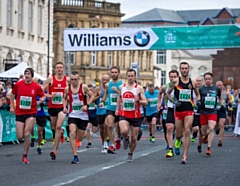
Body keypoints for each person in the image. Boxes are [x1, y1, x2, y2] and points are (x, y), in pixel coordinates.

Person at [10, 68, 45, 164]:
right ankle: (28, 138)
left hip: (31, 112)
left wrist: (42, 99)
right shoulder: (18, 84)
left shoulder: (36, 86)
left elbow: (43, 95)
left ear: (32, 76)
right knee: (20, 137)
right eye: (25, 73)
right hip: (20, 112)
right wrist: (12, 106)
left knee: (27, 134)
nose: (27, 75)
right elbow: (12, 94)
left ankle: (25, 155)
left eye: (29, 74)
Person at [166, 62, 199, 164]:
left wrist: (198, 101)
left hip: (189, 110)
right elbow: (167, 93)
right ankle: (178, 140)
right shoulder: (176, 81)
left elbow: (198, 95)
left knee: (188, 130)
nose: (184, 70)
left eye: (186, 68)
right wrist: (173, 101)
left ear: (189, 69)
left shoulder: (193, 83)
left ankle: (184, 155)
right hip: (178, 111)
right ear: (180, 70)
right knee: (179, 134)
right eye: (182, 68)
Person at [115, 69, 147, 162]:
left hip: (135, 115)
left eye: (132, 76)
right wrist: (117, 109)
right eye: (129, 76)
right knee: (124, 130)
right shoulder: (122, 87)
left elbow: (145, 103)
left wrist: (138, 100)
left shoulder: (139, 88)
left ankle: (130, 153)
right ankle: (125, 138)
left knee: (134, 138)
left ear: (135, 77)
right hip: (124, 113)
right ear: (126, 76)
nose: (130, 78)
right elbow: (119, 98)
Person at [63, 71, 93, 164]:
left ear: (79, 79)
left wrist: (87, 105)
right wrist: (64, 107)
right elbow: (64, 98)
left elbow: (92, 96)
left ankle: (78, 141)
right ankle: (75, 156)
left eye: (75, 79)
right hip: (72, 114)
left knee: (79, 137)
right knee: (72, 133)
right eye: (71, 79)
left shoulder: (83, 87)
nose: (73, 81)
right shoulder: (67, 89)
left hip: (83, 116)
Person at [43, 62, 70, 160]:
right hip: (52, 106)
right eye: (57, 67)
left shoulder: (67, 80)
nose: (59, 69)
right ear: (55, 69)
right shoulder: (51, 79)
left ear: (63, 69)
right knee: (54, 127)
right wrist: (49, 96)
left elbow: (74, 89)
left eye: (61, 67)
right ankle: (61, 131)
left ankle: (54, 150)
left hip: (62, 107)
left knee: (58, 126)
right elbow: (41, 90)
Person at [100, 66, 122, 154]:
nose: (114, 74)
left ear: (119, 73)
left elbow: (124, 95)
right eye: (112, 72)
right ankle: (112, 145)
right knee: (109, 125)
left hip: (120, 108)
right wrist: (102, 101)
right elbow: (106, 94)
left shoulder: (122, 84)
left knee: (119, 128)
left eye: (115, 72)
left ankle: (119, 138)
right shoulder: (108, 84)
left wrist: (117, 91)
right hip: (110, 108)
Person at [198, 72, 221, 156]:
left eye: (209, 79)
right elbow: (198, 98)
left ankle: (208, 148)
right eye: (206, 79)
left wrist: (221, 105)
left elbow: (220, 97)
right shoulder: (201, 89)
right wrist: (198, 103)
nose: (207, 80)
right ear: (204, 80)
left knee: (211, 128)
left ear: (212, 79)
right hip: (203, 112)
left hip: (212, 111)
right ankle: (206, 136)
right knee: (203, 132)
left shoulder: (216, 89)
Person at [160, 70, 179, 158]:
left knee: (179, 131)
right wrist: (160, 103)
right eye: (171, 77)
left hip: (180, 109)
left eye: (174, 76)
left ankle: (178, 140)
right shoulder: (166, 86)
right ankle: (170, 149)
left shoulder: (182, 85)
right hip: (171, 108)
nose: (173, 78)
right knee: (169, 127)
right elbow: (161, 94)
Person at [95, 74, 110, 153]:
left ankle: (106, 142)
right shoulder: (98, 89)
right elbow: (92, 99)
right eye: (103, 80)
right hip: (100, 111)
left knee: (107, 125)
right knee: (101, 128)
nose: (104, 81)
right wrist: (98, 96)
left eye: (106, 80)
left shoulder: (111, 88)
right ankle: (103, 142)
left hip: (108, 110)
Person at [215, 81, 232, 147]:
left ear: (222, 86)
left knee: (221, 124)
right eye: (218, 85)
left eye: (220, 85)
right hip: (215, 110)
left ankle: (220, 140)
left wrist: (230, 103)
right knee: (216, 125)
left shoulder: (226, 93)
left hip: (222, 110)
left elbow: (229, 99)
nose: (219, 87)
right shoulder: (214, 92)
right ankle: (216, 129)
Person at [33, 77, 47, 155]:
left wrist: (42, 102)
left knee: (40, 132)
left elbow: (46, 100)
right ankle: (32, 137)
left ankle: (38, 146)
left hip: (40, 114)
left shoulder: (41, 90)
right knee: (30, 125)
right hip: (32, 113)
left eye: (36, 82)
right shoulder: (30, 90)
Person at [192, 77, 204, 153]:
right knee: (196, 128)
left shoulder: (204, 90)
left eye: (200, 81)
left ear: (202, 82)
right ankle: (194, 133)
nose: (198, 82)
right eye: (197, 81)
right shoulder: (192, 90)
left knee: (202, 131)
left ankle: (199, 145)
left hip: (202, 112)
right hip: (194, 112)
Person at [86, 84, 98, 148]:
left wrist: (97, 106)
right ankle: (89, 142)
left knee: (94, 130)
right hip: (88, 114)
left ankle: (97, 127)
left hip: (94, 114)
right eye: (89, 89)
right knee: (88, 128)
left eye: (91, 89)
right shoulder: (86, 96)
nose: (90, 90)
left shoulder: (95, 96)